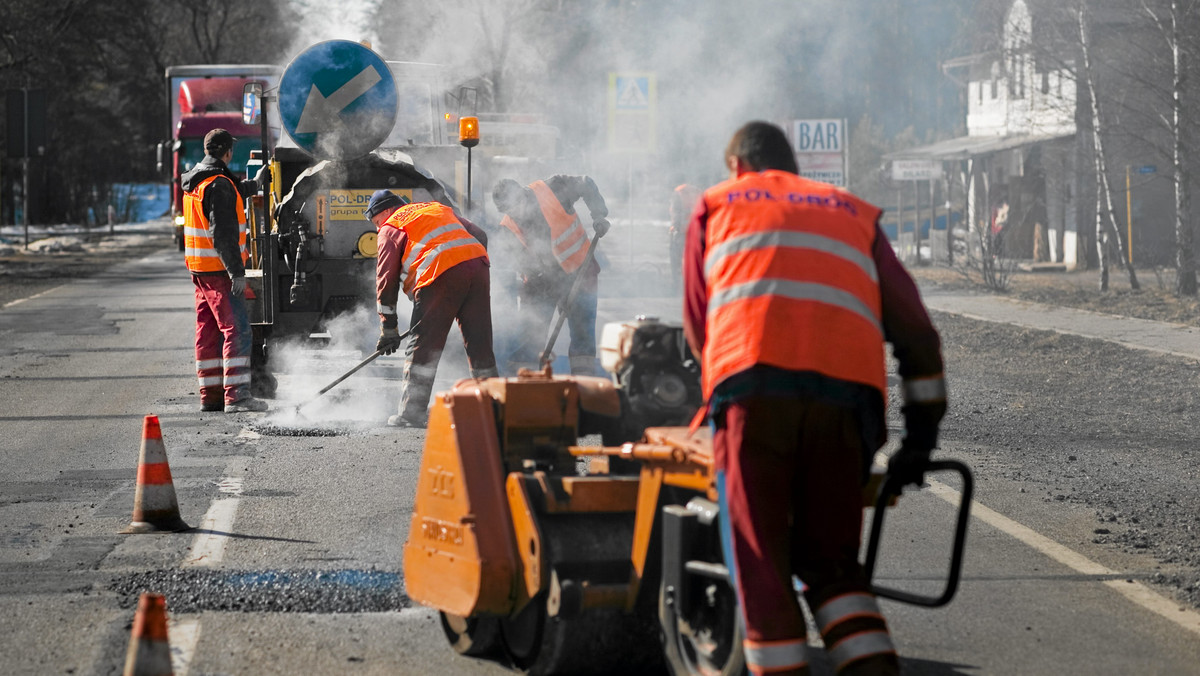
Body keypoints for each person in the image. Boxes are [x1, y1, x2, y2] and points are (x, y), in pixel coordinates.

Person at [682, 121, 947, 676]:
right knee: (834, 570)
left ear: (736, 166)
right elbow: (918, 335)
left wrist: (715, 400)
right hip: (846, 409)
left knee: (762, 567)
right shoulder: (853, 211)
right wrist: (918, 441)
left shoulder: (717, 204)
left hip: (754, 399)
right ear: (794, 167)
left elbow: (700, 325)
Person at [367, 190, 499, 428]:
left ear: (385, 211)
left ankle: (411, 413)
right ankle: (494, 408)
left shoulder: (391, 226)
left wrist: (388, 328)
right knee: (480, 342)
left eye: (376, 222)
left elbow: (385, 280)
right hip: (477, 265)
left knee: (423, 344)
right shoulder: (435, 208)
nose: (378, 228)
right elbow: (480, 234)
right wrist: (470, 264)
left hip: (439, 272)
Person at [182, 128, 270, 413]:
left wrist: (253, 185)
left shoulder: (198, 180)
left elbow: (229, 189)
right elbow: (222, 236)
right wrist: (237, 272)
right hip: (220, 271)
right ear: (227, 152)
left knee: (207, 332)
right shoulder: (218, 184)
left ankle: (211, 395)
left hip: (199, 271)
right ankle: (238, 396)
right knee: (238, 331)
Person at [491, 175, 610, 375]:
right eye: (508, 211)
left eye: (515, 206)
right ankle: (525, 385)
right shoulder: (508, 227)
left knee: (582, 333)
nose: (515, 214)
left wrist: (599, 215)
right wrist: (557, 289)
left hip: (580, 271)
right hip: (541, 283)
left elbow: (586, 183)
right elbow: (524, 265)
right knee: (530, 334)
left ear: (522, 194)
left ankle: (583, 385)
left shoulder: (553, 189)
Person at [669, 183, 702, 290]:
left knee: (677, 262)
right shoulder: (698, 192)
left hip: (681, 233)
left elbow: (676, 213)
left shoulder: (678, 193)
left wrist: (676, 227)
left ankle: (677, 287)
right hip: (696, 232)